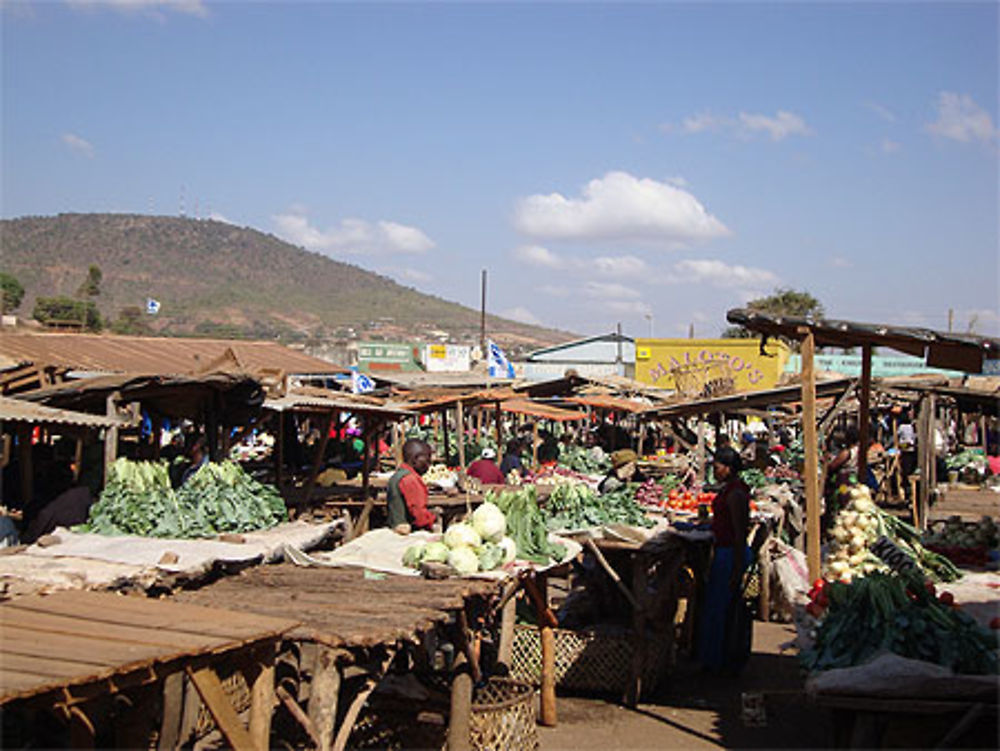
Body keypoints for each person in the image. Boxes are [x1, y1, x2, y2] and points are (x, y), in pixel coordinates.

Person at [697, 446, 752, 674]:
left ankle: (719, 660)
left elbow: (740, 532)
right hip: (725, 551)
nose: (714, 471)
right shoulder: (730, 489)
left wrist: (737, 568)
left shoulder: (736, 493)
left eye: (717, 467)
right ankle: (714, 657)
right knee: (715, 606)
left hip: (730, 554)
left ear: (728, 468)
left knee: (719, 608)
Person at [386, 438, 438, 533]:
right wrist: (433, 519)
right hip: (406, 532)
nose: (429, 463)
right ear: (415, 459)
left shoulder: (398, 475)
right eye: (427, 458)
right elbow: (419, 516)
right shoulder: (410, 480)